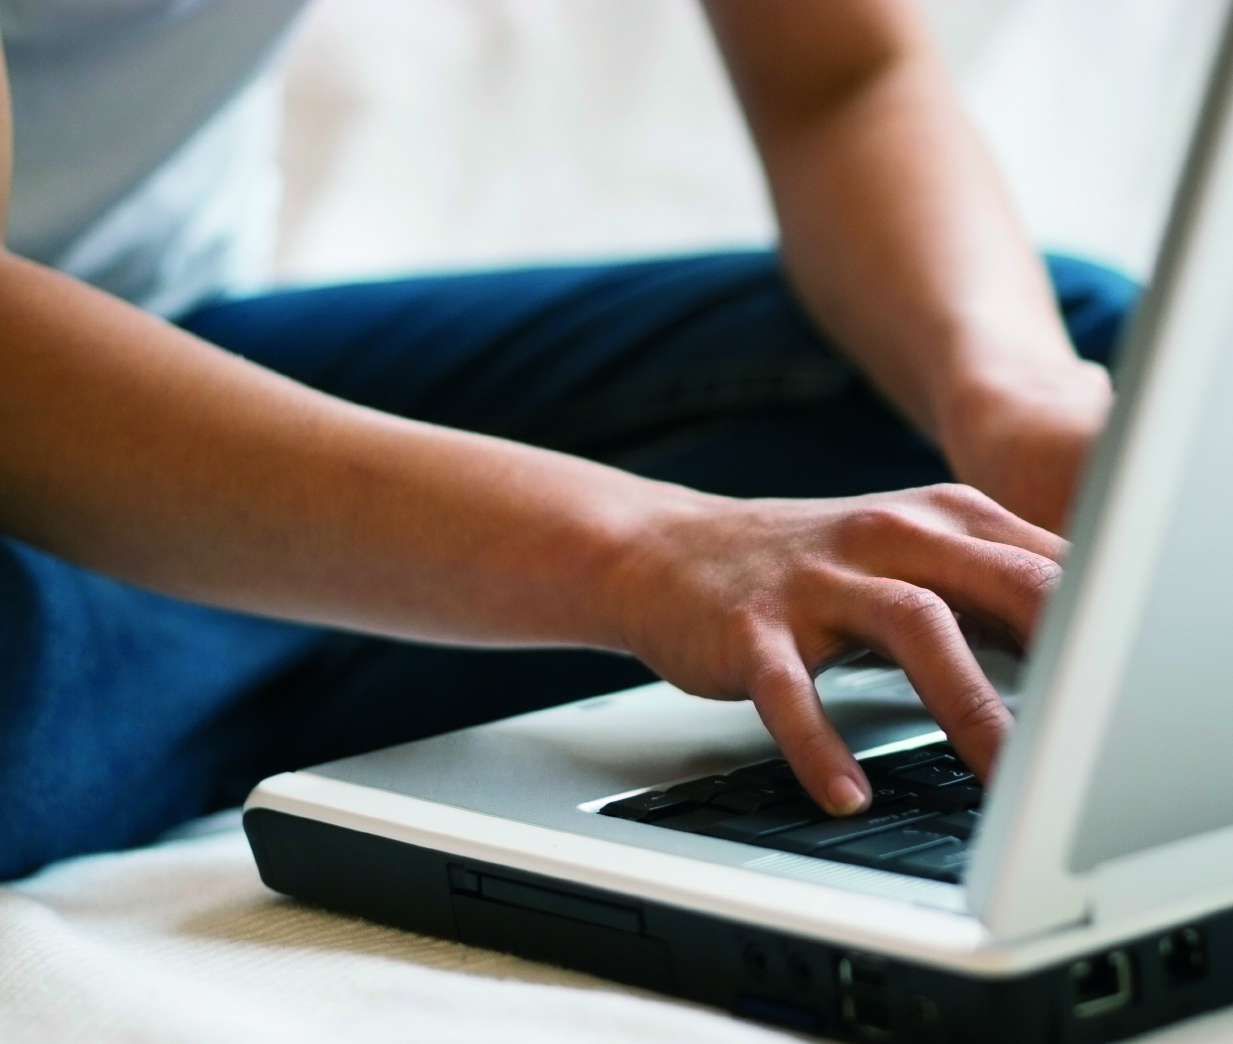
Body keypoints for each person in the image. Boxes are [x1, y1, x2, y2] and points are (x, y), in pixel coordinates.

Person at [0, 0, 1136, 880]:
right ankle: (303, 616)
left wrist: (1013, 403)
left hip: (176, 345)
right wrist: (640, 552)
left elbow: (842, 80)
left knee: (1096, 349)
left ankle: (303, 612)